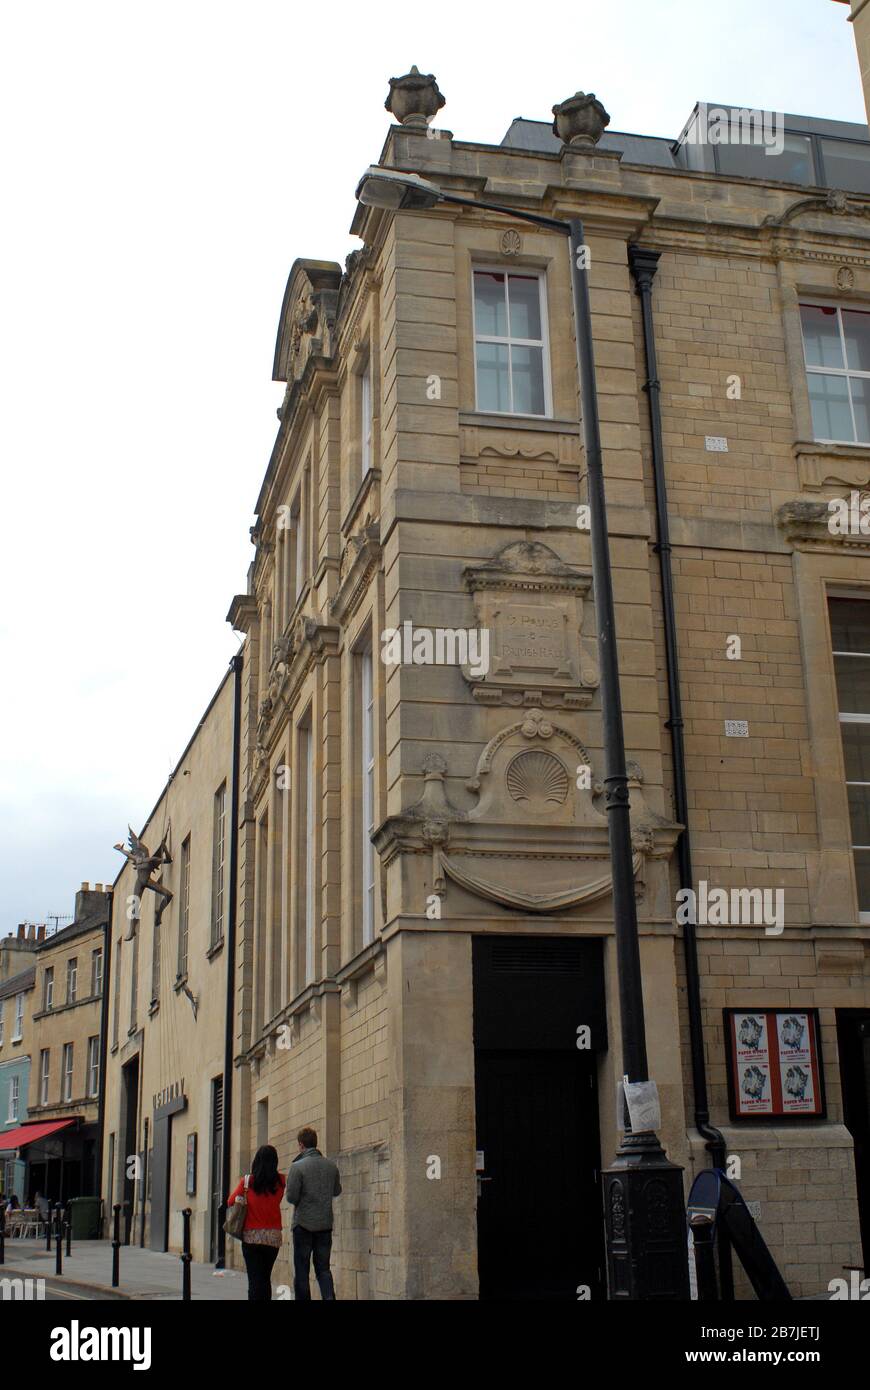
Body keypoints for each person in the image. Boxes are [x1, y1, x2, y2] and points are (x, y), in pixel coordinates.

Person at [285, 1126, 341, 1301]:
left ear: (301, 1145)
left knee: (302, 1271)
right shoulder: (331, 1166)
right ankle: (329, 1297)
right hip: (324, 1225)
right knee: (323, 1269)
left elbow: (291, 1197)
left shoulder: (297, 1167)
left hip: (303, 1225)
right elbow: (337, 1191)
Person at [227, 1145, 285, 1301]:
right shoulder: (281, 1181)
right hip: (273, 1237)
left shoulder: (247, 1181)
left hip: (251, 1237)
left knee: (254, 1280)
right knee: (265, 1279)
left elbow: (230, 1201)